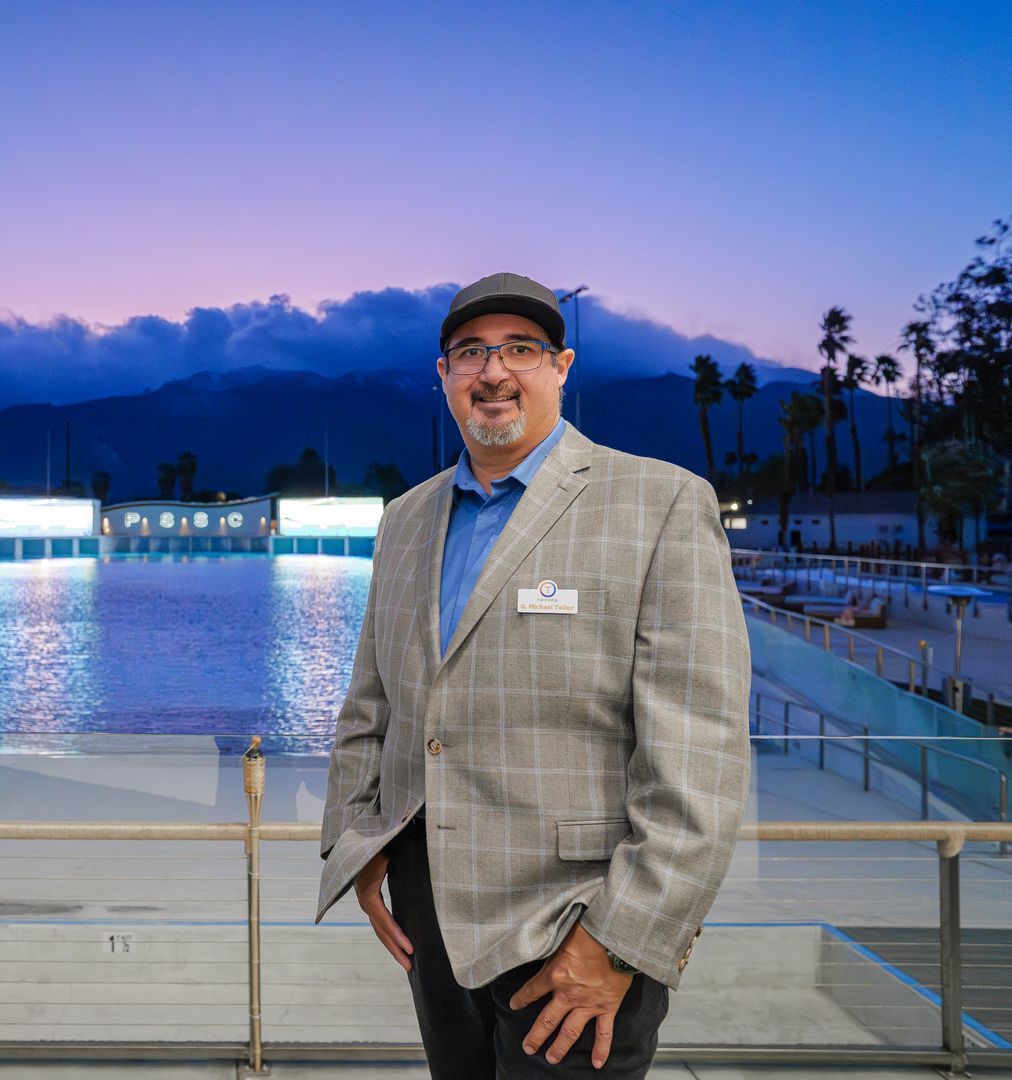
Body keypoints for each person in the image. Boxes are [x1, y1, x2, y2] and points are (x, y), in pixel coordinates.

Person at [317, 272, 752, 1078]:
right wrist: (355, 842)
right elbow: (371, 703)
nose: (494, 371)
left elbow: (700, 759)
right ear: (443, 375)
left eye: (522, 349)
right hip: (434, 915)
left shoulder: (657, 504)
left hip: (575, 925)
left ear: (562, 366)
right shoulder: (406, 519)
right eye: (471, 352)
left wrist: (619, 943)